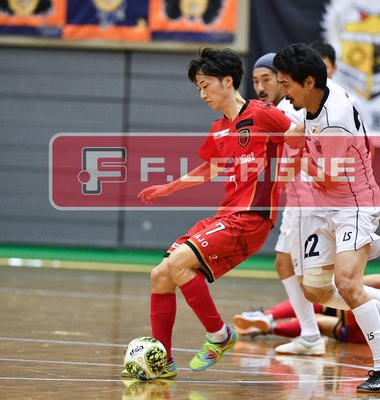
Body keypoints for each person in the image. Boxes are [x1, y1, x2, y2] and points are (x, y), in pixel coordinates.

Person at [123, 47, 297, 378]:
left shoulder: (263, 114)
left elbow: (299, 137)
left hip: (252, 217)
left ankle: (219, 335)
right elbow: (211, 167)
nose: (202, 94)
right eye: (198, 88)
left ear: (227, 81)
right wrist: (169, 187)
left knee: (179, 262)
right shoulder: (218, 127)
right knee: (161, 274)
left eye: (206, 85)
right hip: (226, 215)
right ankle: (163, 362)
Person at [273, 43, 380, 393]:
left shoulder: (335, 120)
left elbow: (327, 174)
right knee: (315, 290)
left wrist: (294, 148)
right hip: (320, 205)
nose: (283, 92)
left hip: (353, 204)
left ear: (309, 82)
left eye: (286, 85)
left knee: (347, 283)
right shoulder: (311, 97)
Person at [251, 53, 326, 356]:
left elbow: (294, 159)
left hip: (309, 200)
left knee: (319, 281)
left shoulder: (288, 110)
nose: (260, 87)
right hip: (296, 200)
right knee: (284, 263)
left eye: (267, 80)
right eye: (255, 81)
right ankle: (310, 334)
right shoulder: (278, 110)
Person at [234, 258, 380, 346]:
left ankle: (267, 316)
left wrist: (348, 283)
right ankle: (271, 328)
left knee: (324, 296)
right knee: (322, 324)